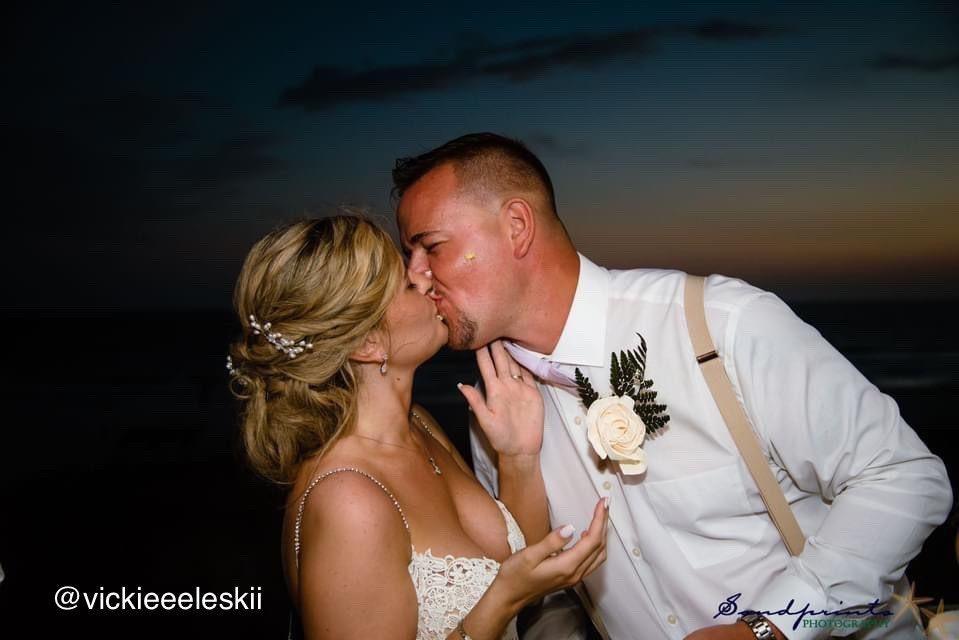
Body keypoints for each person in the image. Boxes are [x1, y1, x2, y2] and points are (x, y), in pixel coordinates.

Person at [392, 133, 953, 639]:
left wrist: (772, 629)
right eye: (408, 254)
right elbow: (548, 599)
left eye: (430, 246)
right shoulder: (491, 412)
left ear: (516, 226)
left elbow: (905, 476)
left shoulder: (718, 324)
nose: (416, 274)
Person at [225, 216, 609, 639]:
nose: (426, 278)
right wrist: (499, 602)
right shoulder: (347, 501)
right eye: (407, 284)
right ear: (367, 345)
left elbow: (512, 561)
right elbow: (501, 592)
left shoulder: (419, 426)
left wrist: (518, 456)